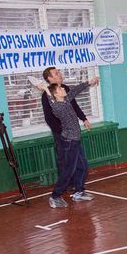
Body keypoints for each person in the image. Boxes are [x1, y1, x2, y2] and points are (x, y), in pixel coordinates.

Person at [35, 75, 99, 208]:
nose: (62, 88)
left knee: (82, 166)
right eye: (59, 88)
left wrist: (89, 82)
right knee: (68, 171)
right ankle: (55, 196)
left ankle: (78, 193)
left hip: (75, 140)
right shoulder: (59, 107)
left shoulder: (66, 100)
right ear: (56, 94)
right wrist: (46, 90)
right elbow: (52, 102)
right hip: (69, 142)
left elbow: (75, 90)